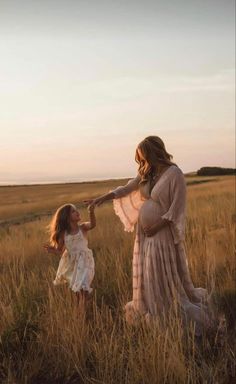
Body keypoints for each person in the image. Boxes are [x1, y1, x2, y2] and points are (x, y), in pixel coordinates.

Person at [84, 136, 214, 335]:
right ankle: (153, 306)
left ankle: (168, 309)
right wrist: (102, 198)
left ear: (155, 152)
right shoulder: (147, 173)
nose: (142, 162)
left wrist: (157, 225)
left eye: (144, 157)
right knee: (148, 270)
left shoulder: (174, 173)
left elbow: (177, 207)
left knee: (159, 269)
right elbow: (127, 188)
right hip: (144, 235)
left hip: (162, 232)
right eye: (140, 159)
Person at [44, 203, 96, 310]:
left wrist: (91, 212)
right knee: (78, 292)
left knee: (84, 287)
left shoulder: (82, 228)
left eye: (76, 210)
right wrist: (52, 250)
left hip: (86, 262)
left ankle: (82, 313)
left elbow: (92, 225)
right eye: (73, 211)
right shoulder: (64, 234)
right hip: (73, 265)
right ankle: (80, 313)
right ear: (67, 218)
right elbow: (60, 251)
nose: (77, 212)